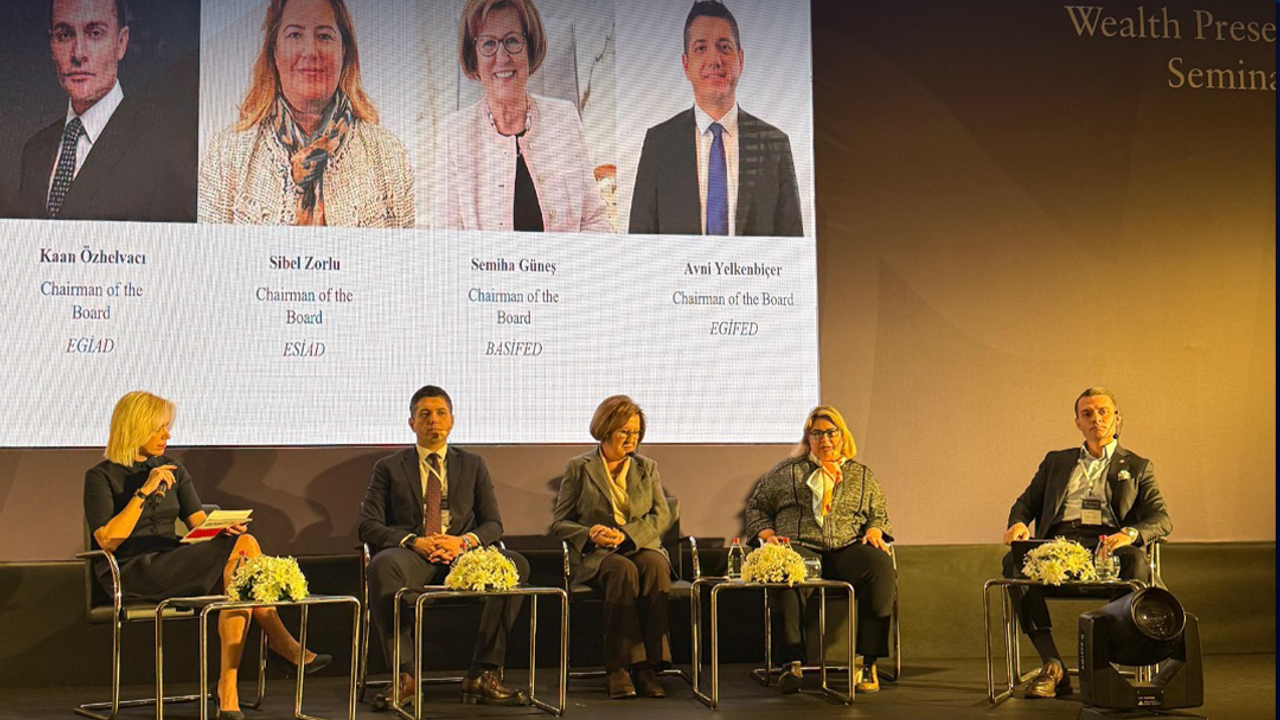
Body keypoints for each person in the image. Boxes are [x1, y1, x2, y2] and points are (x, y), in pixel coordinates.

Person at [84, 391, 329, 720]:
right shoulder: (100, 476)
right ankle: (282, 644)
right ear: (135, 428)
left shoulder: (174, 469)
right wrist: (143, 492)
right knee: (244, 562)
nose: (167, 435)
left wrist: (222, 529)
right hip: (131, 571)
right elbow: (107, 540)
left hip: (173, 559)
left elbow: (198, 525)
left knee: (241, 560)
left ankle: (230, 687)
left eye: (167, 427)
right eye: (159, 428)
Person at [358, 385, 530, 710]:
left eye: (441, 414)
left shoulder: (473, 464)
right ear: (411, 423)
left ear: (452, 420)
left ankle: (482, 674)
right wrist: (415, 542)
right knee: (382, 566)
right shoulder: (389, 467)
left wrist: (461, 542)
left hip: (462, 557)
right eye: (424, 415)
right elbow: (368, 525)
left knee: (515, 565)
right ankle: (405, 677)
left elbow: (493, 524)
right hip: (412, 555)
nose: (433, 421)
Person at [1001, 387, 1173, 698]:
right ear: (1078, 423)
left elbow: (1161, 518)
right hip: (1060, 546)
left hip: (1108, 547)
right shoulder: (1056, 461)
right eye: (1087, 413)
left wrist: (1129, 534)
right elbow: (1025, 504)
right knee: (1013, 561)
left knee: (1135, 561)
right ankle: (1052, 665)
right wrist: (1018, 523)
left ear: (1117, 418)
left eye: (1103, 411)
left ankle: (1102, 660)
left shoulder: (1137, 466)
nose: (1096, 418)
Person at [199, 0, 413, 227]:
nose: (310, 51)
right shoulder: (226, 156)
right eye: (294, 35)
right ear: (274, 51)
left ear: (343, 50)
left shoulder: (391, 158)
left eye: (324, 36)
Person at [744, 405, 895, 694]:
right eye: (816, 434)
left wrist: (875, 530)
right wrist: (767, 534)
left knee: (879, 567)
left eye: (831, 433)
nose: (825, 440)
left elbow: (879, 512)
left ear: (842, 436)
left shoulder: (861, 475)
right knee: (784, 570)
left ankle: (867, 662)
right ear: (808, 439)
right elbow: (757, 507)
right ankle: (791, 663)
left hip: (847, 545)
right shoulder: (786, 472)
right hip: (801, 545)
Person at [434, 0, 611, 233]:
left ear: (530, 48)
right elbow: (446, 241)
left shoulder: (565, 119)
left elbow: (595, 221)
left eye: (512, 40)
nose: (502, 57)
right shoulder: (454, 134)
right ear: (474, 58)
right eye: (488, 43)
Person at [629, 0, 802, 237]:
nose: (714, 60)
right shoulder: (658, 143)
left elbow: (792, 244)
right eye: (701, 48)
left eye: (724, 47)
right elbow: (638, 243)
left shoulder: (774, 144)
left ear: (741, 60)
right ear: (686, 64)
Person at [14, 0, 196, 222]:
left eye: (95, 33)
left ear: (121, 42)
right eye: (65, 35)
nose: (78, 54)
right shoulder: (35, 150)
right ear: (51, 43)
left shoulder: (166, 155)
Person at [551, 396, 676, 699]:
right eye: (624, 432)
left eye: (636, 432)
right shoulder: (579, 468)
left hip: (638, 545)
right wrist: (590, 533)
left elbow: (662, 515)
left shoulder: (647, 468)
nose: (632, 439)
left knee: (656, 565)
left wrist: (627, 536)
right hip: (599, 555)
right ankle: (618, 668)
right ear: (605, 430)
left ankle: (648, 668)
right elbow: (560, 523)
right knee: (622, 570)